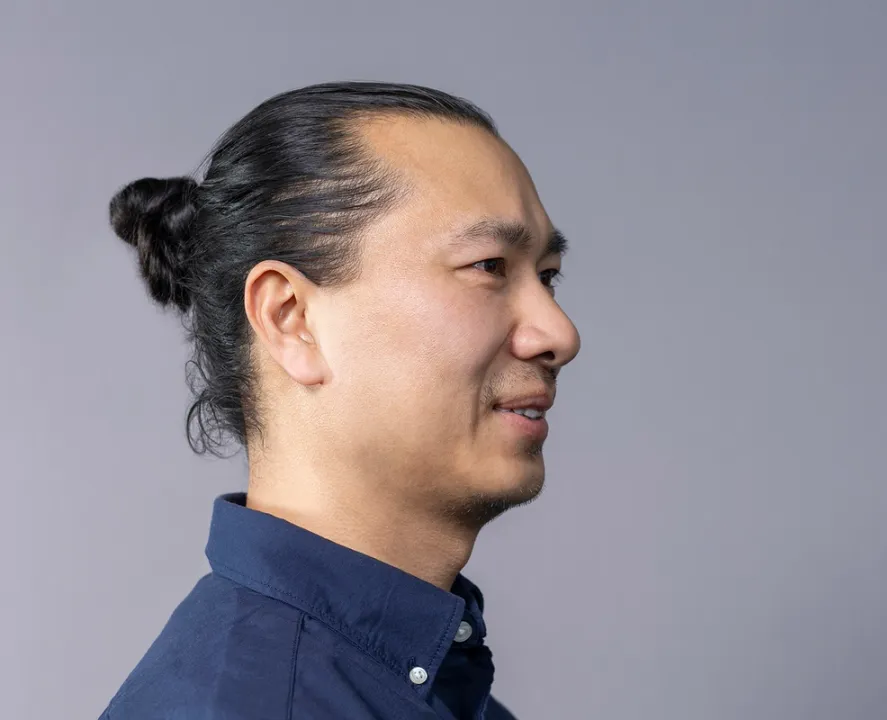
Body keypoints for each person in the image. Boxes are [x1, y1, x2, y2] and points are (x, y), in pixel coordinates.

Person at [99, 81, 581, 720]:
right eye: (489, 266)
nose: (560, 334)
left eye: (546, 277)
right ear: (291, 318)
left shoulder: (420, 689)